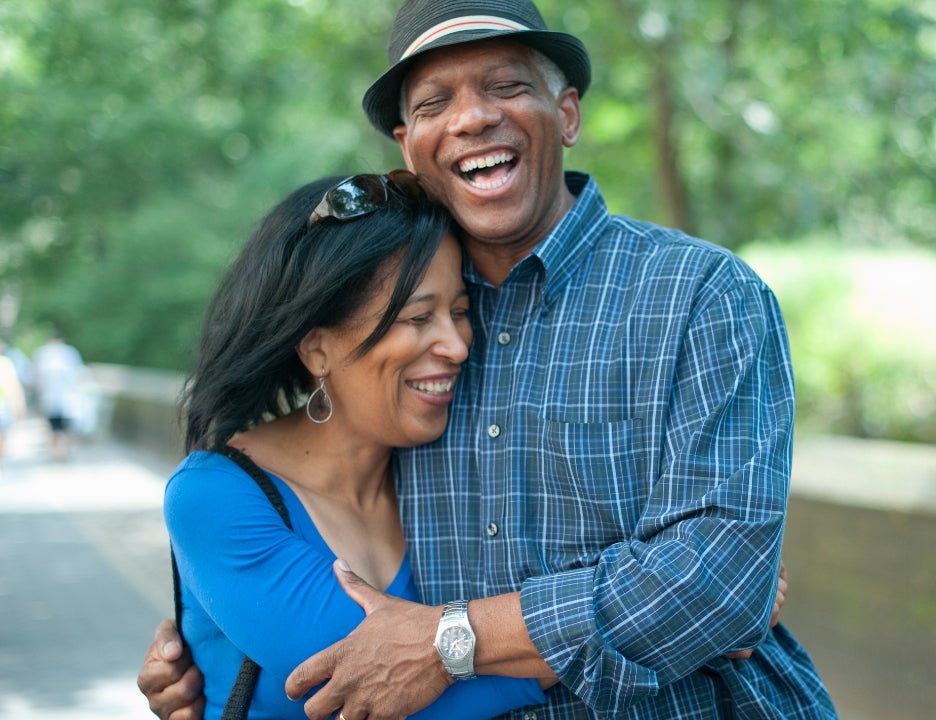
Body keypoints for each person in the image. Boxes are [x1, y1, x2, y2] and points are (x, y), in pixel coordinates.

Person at [140, 1, 836, 718]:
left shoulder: (701, 295)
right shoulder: (393, 342)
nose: (473, 117)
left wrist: (450, 640)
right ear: (410, 149)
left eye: (505, 86)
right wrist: (213, 651)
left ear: (566, 115)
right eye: (437, 102)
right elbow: (336, 620)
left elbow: (719, 580)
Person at [164, 170, 549, 719]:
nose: (457, 345)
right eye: (418, 317)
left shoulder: (450, 466)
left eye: (459, 311)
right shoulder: (212, 496)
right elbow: (390, 695)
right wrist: (650, 633)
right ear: (317, 350)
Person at [31, 329, 85, 461]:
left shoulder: (43, 353)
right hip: (66, 397)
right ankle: (62, 451)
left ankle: (57, 451)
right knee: (64, 426)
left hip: (53, 397)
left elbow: (35, 377)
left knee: (55, 427)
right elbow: (80, 374)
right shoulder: (70, 352)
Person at [0, 344, 25, 458]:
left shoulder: (5, 363)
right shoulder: (5, 363)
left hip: (3, 409)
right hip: (3, 409)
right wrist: (19, 406)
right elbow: (14, 387)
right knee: (2, 438)